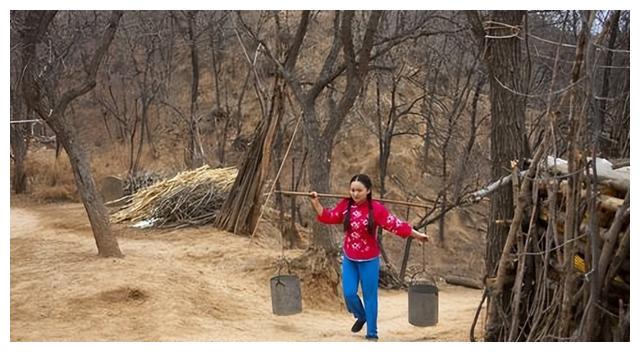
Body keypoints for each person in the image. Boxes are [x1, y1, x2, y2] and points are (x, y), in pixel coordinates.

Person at [308, 174, 429, 341]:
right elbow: (329, 217)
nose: (355, 194)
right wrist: (315, 202)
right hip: (350, 257)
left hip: (369, 260)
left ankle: (372, 333)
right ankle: (361, 315)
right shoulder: (346, 205)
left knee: (370, 295)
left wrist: (416, 235)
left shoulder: (376, 209)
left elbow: (395, 224)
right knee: (349, 293)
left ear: (368, 190)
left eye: (359, 190)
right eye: (352, 190)